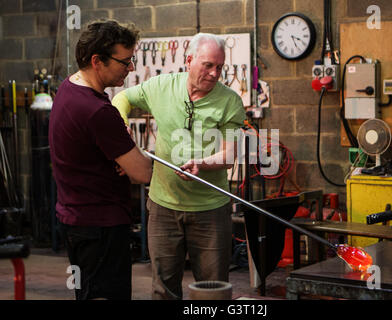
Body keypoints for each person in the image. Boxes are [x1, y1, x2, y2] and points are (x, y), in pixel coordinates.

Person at [112, 33, 246, 300]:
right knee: (164, 290)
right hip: (164, 207)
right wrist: (120, 124)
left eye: (219, 67)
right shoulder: (161, 86)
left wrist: (203, 164)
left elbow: (230, 155)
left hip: (210, 210)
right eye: (208, 65)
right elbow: (122, 98)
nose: (214, 73)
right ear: (188, 60)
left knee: (213, 290)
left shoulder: (230, 101)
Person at [49, 20, 153, 300]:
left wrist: (117, 151)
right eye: (125, 62)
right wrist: (128, 154)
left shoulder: (68, 89)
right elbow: (143, 172)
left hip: (75, 221)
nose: (130, 68)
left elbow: (90, 148)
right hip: (101, 229)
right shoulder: (98, 111)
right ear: (97, 61)